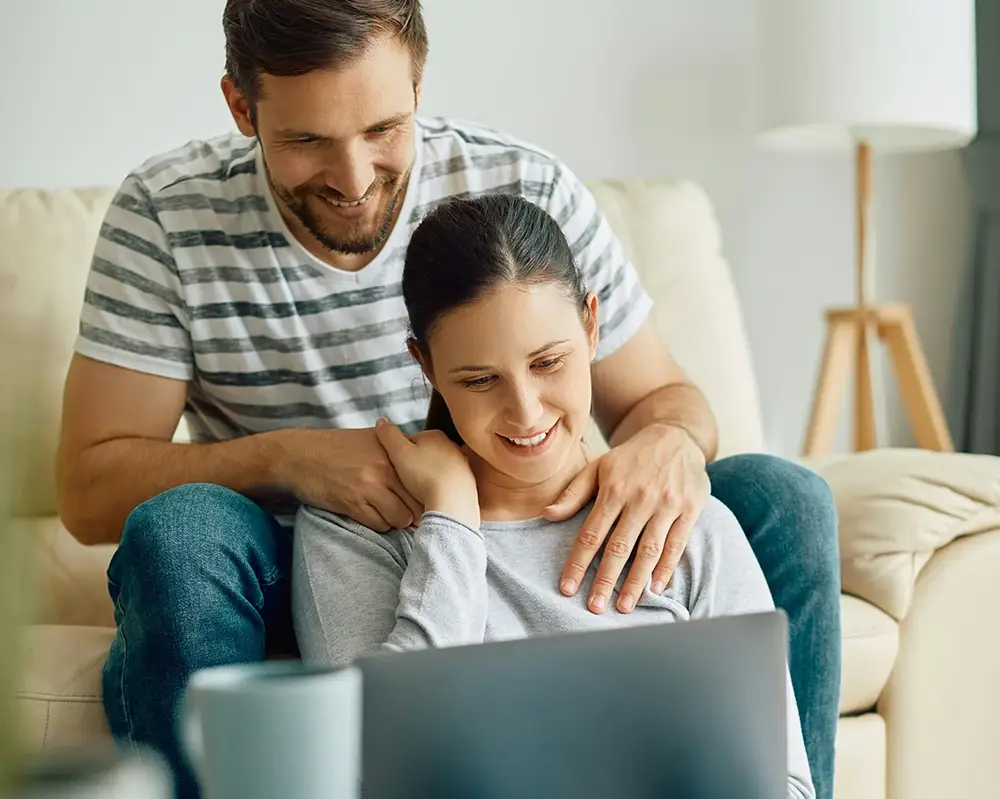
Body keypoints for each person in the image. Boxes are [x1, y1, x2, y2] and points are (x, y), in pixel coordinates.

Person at [54, 1, 840, 797]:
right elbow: (88, 490)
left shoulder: (529, 189)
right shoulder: (166, 214)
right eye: (306, 140)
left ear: (419, 83)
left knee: (784, 496)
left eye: (383, 130)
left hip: (525, 515)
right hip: (304, 553)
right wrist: (293, 458)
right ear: (240, 107)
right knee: (179, 534)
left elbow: (664, 399)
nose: (354, 179)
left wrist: (670, 438)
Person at [293, 193, 815, 799]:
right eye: (480, 380)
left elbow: (785, 786)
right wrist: (452, 521)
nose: (524, 411)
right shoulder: (356, 526)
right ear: (426, 366)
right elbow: (372, 768)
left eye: (548, 363)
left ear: (592, 327)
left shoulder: (686, 524)